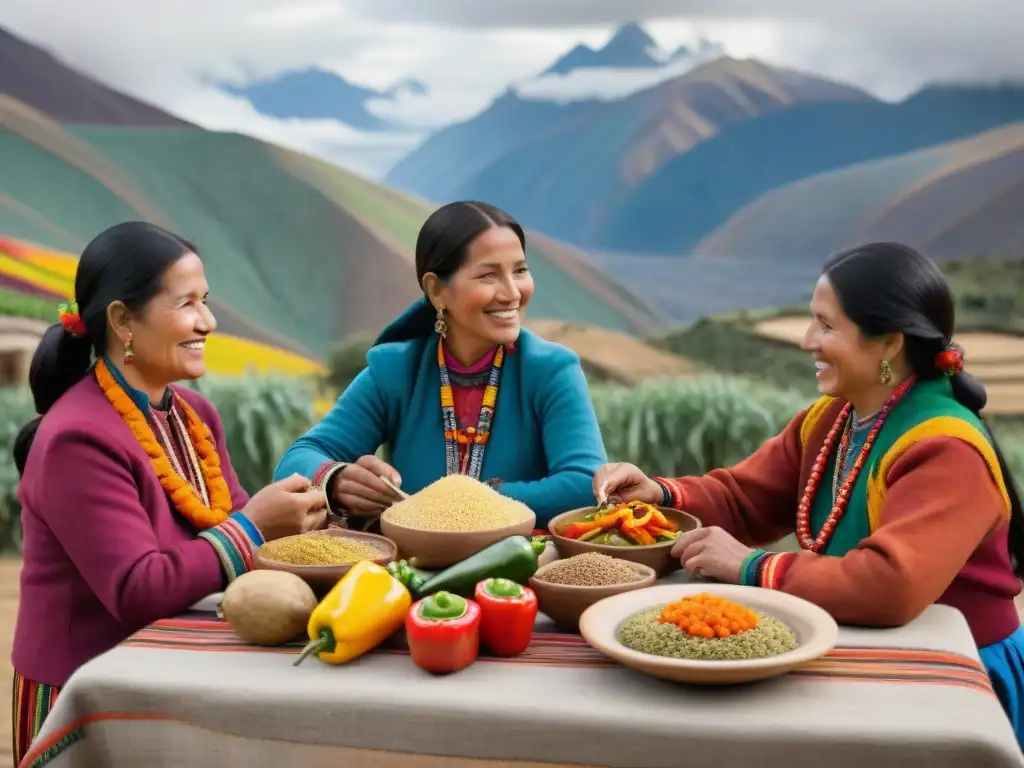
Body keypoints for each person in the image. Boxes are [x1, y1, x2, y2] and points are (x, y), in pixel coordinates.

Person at [593, 242, 1024, 743]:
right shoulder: (834, 420)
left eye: (826, 325)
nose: (806, 341)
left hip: (953, 675)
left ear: (888, 342)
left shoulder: (946, 449)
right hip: (870, 652)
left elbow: (891, 586)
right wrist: (661, 496)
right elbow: (744, 498)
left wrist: (752, 567)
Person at [11, 221, 327, 764]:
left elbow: (230, 525)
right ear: (122, 321)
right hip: (85, 693)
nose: (208, 321)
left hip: (170, 671)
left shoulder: (192, 414)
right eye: (186, 304)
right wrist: (255, 526)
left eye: (206, 301)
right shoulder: (77, 437)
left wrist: (323, 502)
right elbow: (138, 587)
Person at [275, 200, 606, 526]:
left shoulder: (551, 370)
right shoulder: (396, 371)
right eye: (489, 275)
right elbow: (297, 461)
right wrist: (337, 479)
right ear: (436, 290)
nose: (512, 292)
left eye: (520, 270)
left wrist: (462, 504)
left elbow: (583, 485)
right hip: (411, 566)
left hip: (521, 563)